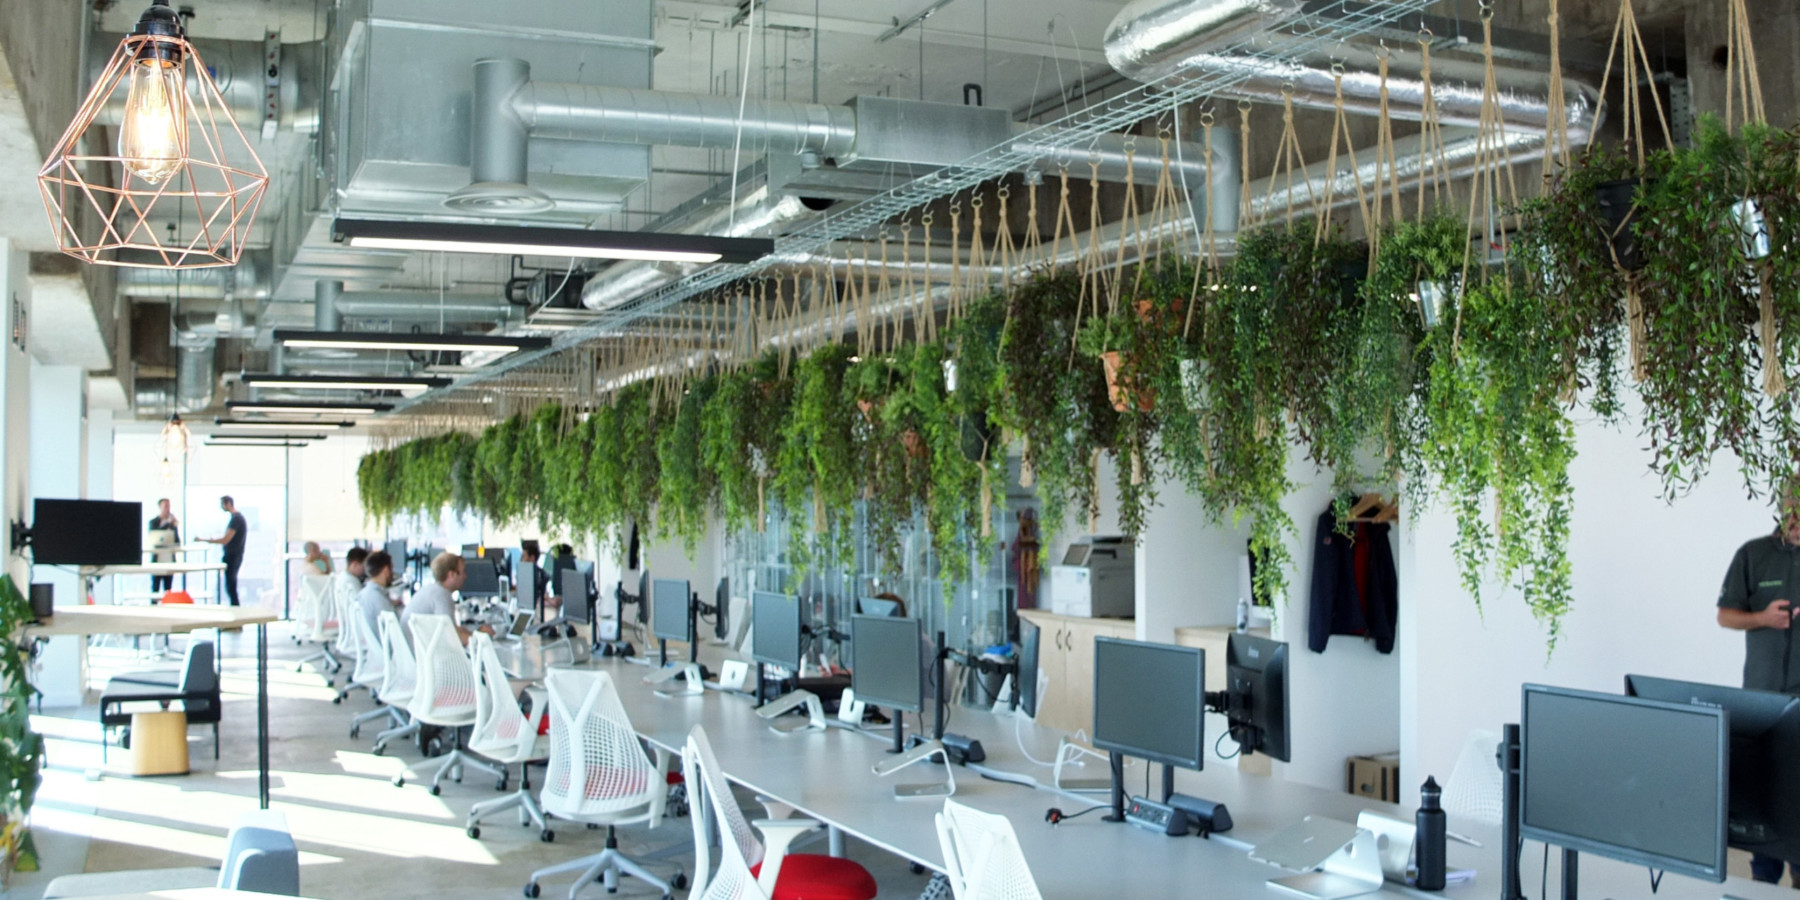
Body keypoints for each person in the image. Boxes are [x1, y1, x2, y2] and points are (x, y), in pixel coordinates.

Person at [1717, 490, 1800, 885]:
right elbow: (1725, 616)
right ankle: (1762, 885)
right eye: (1793, 505)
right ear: (1783, 505)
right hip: (1761, 705)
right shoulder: (1753, 554)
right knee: (1762, 804)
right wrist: (1763, 618)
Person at [404, 551, 490, 646]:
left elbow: (451, 630)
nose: (465, 577)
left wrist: (475, 632)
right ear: (451, 575)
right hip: (422, 656)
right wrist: (483, 639)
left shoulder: (431, 590)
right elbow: (453, 639)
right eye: (462, 572)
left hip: (413, 654)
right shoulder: (442, 596)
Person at [202, 496, 248, 606]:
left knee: (231, 587)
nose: (221, 507)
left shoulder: (236, 519)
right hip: (233, 556)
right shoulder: (236, 518)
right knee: (230, 587)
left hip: (233, 556)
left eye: (222, 504)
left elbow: (225, 539)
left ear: (228, 504)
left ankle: (236, 613)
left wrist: (205, 540)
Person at [357, 550, 401, 640]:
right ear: (385, 571)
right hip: (389, 649)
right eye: (391, 569)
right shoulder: (379, 599)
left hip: (374, 648)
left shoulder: (364, 593)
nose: (393, 573)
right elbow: (396, 631)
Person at [147, 498, 180, 594]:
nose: (168, 508)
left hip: (169, 559)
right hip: (157, 560)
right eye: (165, 506)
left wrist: (173, 525)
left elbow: (177, 540)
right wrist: (167, 523)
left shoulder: (172, 524)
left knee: (168, 589)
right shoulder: (153, 522)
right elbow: (154, 536)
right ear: (160, 507)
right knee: (155, 588)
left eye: (169, 506)